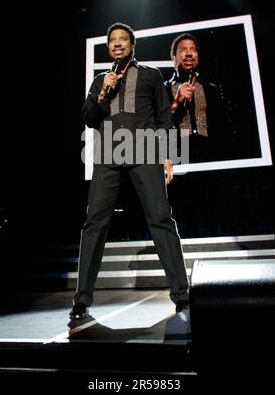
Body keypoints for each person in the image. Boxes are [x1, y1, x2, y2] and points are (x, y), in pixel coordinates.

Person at [68, 23, 189, 332]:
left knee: (161, 218)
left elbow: (164, 117)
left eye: (123, 40)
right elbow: (88, 119)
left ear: (132, 45)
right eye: (112, 41)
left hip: (146, 153)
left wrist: (169, 157)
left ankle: (182, 295)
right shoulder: (99, 80)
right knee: (94, 222)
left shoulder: (150, 75)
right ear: (108, 47)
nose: (117, 44)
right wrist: (103, 93)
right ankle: (81, 300)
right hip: (108, 157)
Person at [165, 32, 234, 163]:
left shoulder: (211, 89)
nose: (189, 53)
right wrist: (177, 101)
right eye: (183, 49)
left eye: (193, 49)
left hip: (210, 156)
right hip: (178, 156)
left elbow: (224, 127)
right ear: (173, 58)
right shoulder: (162, 90)